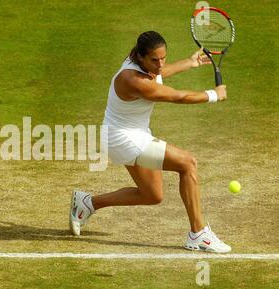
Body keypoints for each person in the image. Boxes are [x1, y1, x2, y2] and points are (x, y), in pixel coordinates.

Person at [69, 31, 231, 253]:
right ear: (141, 58)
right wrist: (213, 95)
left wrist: (189, 63)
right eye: (155, 60)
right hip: (123, 139)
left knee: (151, 195)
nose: (161, 64)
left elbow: (159, 74)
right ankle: (199, 233)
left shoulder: (142, 64)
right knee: (187, 163)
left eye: (163, 58)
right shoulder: (133, 79)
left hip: (132, 133)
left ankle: (87, 203)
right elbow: (177, 97)